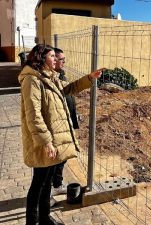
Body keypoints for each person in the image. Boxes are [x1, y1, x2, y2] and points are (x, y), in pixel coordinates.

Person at [19, 44, 103, 225]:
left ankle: (44, 218)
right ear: (41, 58)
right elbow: (33, 115)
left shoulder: (51, 77)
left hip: (53, 139)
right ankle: (32, 222)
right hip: (45, 141)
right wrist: (46, 142)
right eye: (52, 56)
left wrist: (89, 78)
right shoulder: (31, 80)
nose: (56, 60)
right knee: (38, 184)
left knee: (47, 181)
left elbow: (70, 88)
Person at [50, 48, 78, 197]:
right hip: (57, 126)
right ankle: (48, 193)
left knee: (63, 157)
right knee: (54, 159)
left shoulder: (62, 76)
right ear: (53, 61)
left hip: (67, 123)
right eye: (61, 59)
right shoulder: (50, 79)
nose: (64, 62)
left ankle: (57, 184)